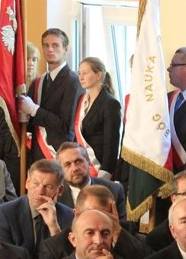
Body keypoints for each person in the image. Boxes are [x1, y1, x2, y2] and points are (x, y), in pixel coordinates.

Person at [39, 183, 149, 259]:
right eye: (91, 214)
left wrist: (116, 231)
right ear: (76, 214)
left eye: (105, 216)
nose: (98, 221)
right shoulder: (54, 248)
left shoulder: (126, 234)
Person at [19, 27, 82, 164]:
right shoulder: (39, 81)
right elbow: (32, 122)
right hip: (37, 152)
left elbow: (65, 125)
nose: (50, 49)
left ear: (65, 49)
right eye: (46, 45)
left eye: (55, 45)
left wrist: (34, 110)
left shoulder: (73, 81)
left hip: (59, 153)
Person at [0, 159, 74, 259]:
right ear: (27, 183)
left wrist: (54, 227)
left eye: (48, 186)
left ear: (60, 190)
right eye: (36, 184)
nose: (40, 191)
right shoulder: (4, 213)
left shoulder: (69, 216)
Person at [72, 57, 121, 180]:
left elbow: (111, 144)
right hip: (82, 165)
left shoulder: (110, 103)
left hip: (99, 167)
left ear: (98, 75)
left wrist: (105, 173)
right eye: (79, 73)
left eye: (85, 73)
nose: (81, 77)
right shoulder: (81, 100)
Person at [55, 141, 126, 221]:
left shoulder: (114, 190)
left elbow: (123, 227)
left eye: (78, 161)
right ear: (60, 170)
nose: (75, 168)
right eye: (67, 164)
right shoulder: (55, 196)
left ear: (89, 163)